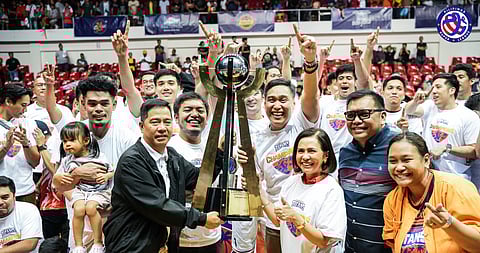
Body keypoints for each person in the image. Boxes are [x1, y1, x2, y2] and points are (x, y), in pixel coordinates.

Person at [103, 99, 225, 253]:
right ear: (141, 126)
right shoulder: (132, 161)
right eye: (155, 122)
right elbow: (157, 205)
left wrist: (220, 153)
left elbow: (198, 179)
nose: (162, 128)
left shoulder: (172, 157)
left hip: (162, 244)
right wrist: (201, 219)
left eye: (167, 122)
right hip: (132, 246)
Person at [253, 30, 320, 253]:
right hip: (274, 221)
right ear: (264, 104)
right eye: (271, 100)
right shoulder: (258, 139)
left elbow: (310, 96)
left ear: (293, 103)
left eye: (283, 100)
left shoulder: (301, 123)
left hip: (310, 218)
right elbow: (255, 182)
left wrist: (309, 61)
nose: (277, 105)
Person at [240, 128, 347, 252]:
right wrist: (258, 191)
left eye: (311, 151)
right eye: (300, 151)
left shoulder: (332, 190)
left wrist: (296, 218)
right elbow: (277, 220)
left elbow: (323, 241)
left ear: (325, 156)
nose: (305, 157)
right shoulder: (292, 182)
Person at [383, 132, 480, 253]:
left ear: (426, 160)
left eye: (406, 160)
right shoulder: (393, 199)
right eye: (393, 161)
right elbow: (393, 244)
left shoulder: (457, 188)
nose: (399, 167)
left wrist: (450, 224)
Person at [339, 89, 398, 253]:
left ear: (383, 116)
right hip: (351, 247)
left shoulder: (400, 147)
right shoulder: (345, 153)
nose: (356, 121)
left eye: (364, 114)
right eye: (350, 116)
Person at [167, 93, 223, 253]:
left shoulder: (214, 149)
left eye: (200, 110)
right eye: (188, 110)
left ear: (207, 117)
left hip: (212, 237)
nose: (194, 114)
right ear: (176, 117)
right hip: (180, 241)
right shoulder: (169, 149)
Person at [405, 73, 480, 180]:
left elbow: (473, 151)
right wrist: (415, 101)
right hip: (428, 174)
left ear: (452, 90)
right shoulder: (430, 106)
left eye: (438, 87)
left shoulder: (468, 116)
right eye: (433, 87)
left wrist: (447, 148)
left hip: (455, 177)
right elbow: (409, 110)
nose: (434, 91)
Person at [56, 122, 113, 253]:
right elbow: (59, 183)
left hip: (99, 192)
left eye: (71, 140)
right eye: (64, 141)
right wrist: (66, 176)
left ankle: (98, 243)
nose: (67, 144)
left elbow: (112, 171)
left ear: (86, 140)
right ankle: (78, 245)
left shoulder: (99, 157)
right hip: (81, 192)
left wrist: (106, 176)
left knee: (91, 208)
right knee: (79, 208)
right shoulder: (66, 160)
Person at [0, 84, 40, 204]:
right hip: (2, 192)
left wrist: (26, 144)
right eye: (23, 105)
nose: (25, 110)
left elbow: (35, 162)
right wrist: (6, 147)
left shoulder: (29, 123)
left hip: (25, 190)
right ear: (8, 101)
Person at [33, 120, 69, 241]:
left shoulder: (54, 142)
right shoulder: (48, 144)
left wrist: (41, 147)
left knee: (61, 242)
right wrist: (38, 185)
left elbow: (56, 171)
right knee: (49, 243)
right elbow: (47, 171)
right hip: (47, 202)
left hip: (59, 203)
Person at [0, 176, 43, 252]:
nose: (0, 202)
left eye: (5, 198)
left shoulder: (28, 210)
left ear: (14, 196)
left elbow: (30, 244)